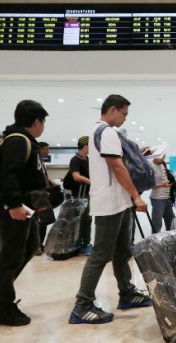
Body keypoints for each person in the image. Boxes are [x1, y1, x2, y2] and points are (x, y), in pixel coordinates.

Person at [69, 94, 152, 325]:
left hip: (118, 202)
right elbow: (116, 165)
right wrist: (136, 195)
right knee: (100, 255)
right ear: (113, 109)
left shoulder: (102, 133)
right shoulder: (106, 132)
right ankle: (81, 305)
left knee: (121, 251)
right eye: (124, 113)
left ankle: (126, 293)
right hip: (109, 203)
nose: (125, 118)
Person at [0, 100, 48, 326]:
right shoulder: (17, 141)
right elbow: (9, 175)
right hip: (11, 208)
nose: (43, 126)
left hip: (21, 206)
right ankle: (4, 309)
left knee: (30, 245)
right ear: (36, 121)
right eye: (42, 121)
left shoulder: (18, 139)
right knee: (11, 256)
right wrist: (14, 204)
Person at [67, 136, 92, 255]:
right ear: (86, 146)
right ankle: (82, 243)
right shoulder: (75, 159)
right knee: (83, 219)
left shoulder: (87, 159)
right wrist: (90, 181)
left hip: (87, 193)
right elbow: (76, 176)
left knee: (86, 219)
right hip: (79, 194)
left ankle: (84, 243)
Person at [149, 155, 176, 233]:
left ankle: (169, 240)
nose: (163, 159)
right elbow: (148, 185)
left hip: (167, 198)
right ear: (155, 156)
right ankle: (155, 242)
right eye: (161, 157)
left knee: (171, 222)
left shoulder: (163, 164)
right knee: (157, 223)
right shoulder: (149, 166)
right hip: (157, 199)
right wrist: (162, 185)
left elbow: (172, 178)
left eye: (164, 157)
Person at [35, 141, 52, 255]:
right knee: (39, 221)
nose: (48, 151)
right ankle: (36, 246)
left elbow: (45, 177)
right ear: (40, 149)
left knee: (44, 220)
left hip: (43, 194)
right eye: (46, 149)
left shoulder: (42, 162)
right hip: (37, 196)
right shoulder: (35, 162)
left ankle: (40, 244)